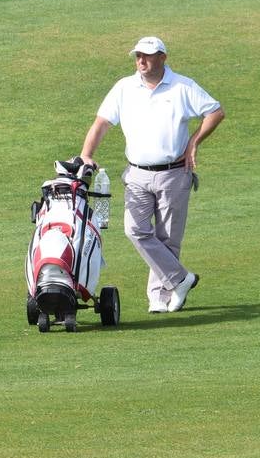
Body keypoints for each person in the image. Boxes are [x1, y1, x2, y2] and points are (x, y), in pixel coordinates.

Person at [80, 36, 224, 314]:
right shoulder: (125, 87)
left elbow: (215, 112)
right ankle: (181, 279)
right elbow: (102, 122)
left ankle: (159, 297)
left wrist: (194, 141)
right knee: (135, 230)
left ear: (163, 58)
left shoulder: (182, 86)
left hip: (173, 173)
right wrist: (87, 154)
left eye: (147, 55)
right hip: (137, 173)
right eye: (137, 56)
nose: (141, 61)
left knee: (168, 238)